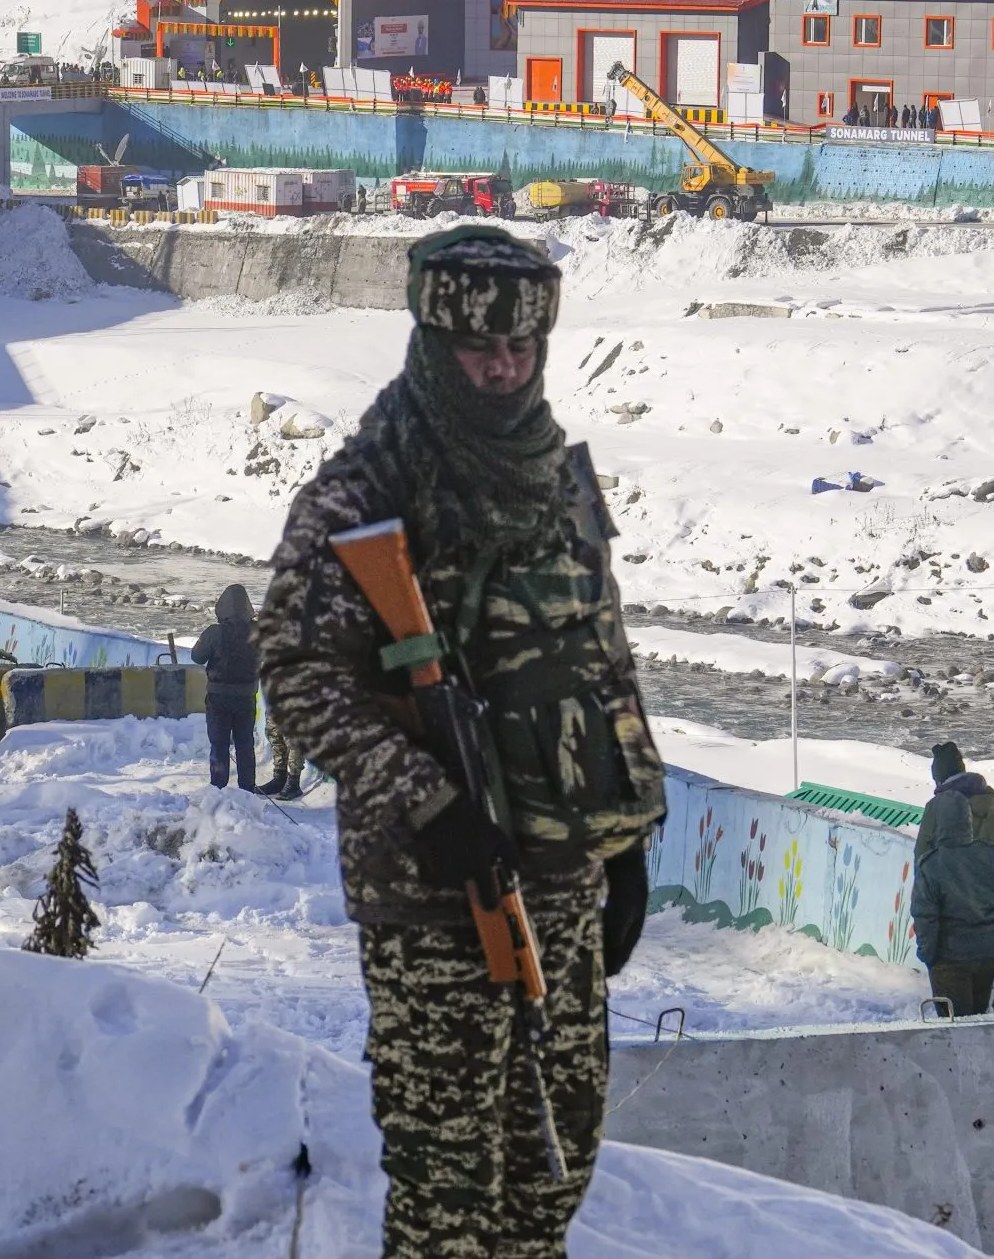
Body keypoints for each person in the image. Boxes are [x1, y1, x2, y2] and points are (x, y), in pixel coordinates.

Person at [259, 225, 667, 1257]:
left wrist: (626, 842)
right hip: (434, 892)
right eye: (482, 352)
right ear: (435, 348)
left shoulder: (554, 480)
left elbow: (598, 658)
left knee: (554, 1160)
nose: (504, 370)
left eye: (522, 351)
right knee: (449, 1187)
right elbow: (297, 677)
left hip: (564, 876)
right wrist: (425, 800)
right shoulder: (359, 496)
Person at [910, 741, 994, 1020]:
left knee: (956, 1017)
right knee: (986, 992)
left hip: (949, 935)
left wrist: (928, 950)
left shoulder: (937, 807)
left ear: (938, 776)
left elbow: (922, 860)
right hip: (988, 918)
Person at [191, 585, 262, 791]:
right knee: (245, 746)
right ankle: (247, 791)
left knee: (219, 746)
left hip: (218, 698)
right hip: (247, 697)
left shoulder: (215, 632)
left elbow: (197, 657)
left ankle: (218, 790)